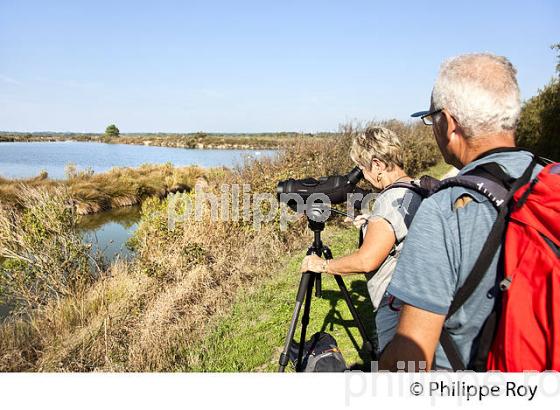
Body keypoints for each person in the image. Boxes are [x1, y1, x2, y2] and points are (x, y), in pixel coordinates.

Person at [379, 53, 542, 371]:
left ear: (449, 123)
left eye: (431, 119)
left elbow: (411, 360)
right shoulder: (551, 178)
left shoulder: (444, 210)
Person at [300, 126, 423, 354]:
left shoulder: (388, 201)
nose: (363, 176)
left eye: (363, 168)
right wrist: (372, 224)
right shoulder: (413, 188)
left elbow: (366, 261)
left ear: (377, 165)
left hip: (396, 310)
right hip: (416, 302)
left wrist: (323, 265)